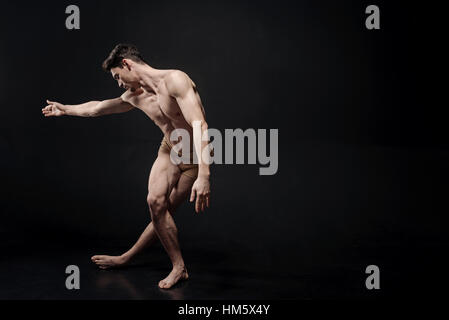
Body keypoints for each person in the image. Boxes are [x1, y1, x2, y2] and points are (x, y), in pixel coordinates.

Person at [41, 44, 211, 289]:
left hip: (195, 155)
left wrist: (204, 175)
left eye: (118, 76)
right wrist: (66, 109)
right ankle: (178, 267)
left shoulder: (175, 80)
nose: (119, 83)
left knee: (165, 212)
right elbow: (97, 108)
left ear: (127, 64)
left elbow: (200, 125)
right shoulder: (135, 95)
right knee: (155, 204)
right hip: (170, 148)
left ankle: (129, 257)